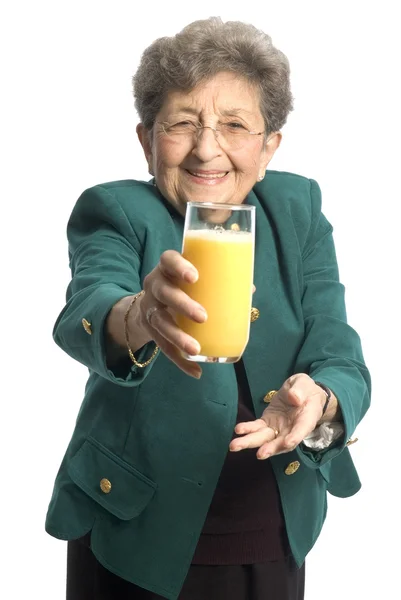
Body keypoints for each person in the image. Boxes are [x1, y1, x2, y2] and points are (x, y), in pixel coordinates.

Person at [45, 16, 371, 600]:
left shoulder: (298, 210)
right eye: (182, 123)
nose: (206, 148)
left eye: (235, 125)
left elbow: (339, 352)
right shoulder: (115, 210)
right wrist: (141, 315)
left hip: (272, 529)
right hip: (134, 534)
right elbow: (86, 312)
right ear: (146, 141)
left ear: (269, 146)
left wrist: (322, 401)